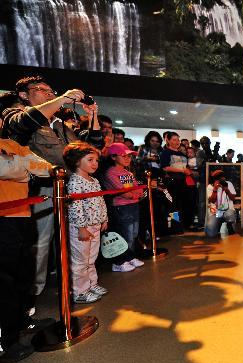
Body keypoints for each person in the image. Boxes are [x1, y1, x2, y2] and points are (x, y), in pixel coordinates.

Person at [3, 76, 102, 307]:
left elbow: (91, 146)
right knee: (40, 243)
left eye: (51, 91)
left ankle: (73, 284)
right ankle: (29, 299)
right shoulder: (14, 113)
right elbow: (24, 122)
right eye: (41, 90)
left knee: (74, 240)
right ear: (24, 95)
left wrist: (93, 114)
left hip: (70, 189)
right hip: (42, 191)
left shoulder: (59, 125)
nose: (49, 94)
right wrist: (63, 98)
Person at [0, 137, 53, 363]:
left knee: (23, 274)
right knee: (3, 281)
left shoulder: (12, 143)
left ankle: (21, 323)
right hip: (3, 218)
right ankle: (5, 342)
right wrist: (26, 170)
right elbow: (7, 169)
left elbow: (47, 169)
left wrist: (20, 166)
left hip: (22, 216)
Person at [63, 142, 109, 303]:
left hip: (95, 225)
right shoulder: (75, 181)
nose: (95, 164)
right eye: (90, 160)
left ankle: (91, 284)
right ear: (76, 161)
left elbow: (101, 200)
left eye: (96, 160)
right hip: (82, 228)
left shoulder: (94, 181)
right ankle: (80, 291)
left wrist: (104, 218)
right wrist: (82, 227)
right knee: (80, 261)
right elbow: (75, 206)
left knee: (91, 258)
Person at [103, 143, 145, 271]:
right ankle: (120, 261)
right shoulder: (111, 172)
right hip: (121, 207)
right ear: (114, 157)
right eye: (124, 156)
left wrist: (133, 195)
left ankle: (130, 257)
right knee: (125, 234)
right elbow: (122, 191)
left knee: (133, 233)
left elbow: (139, 189)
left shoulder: (128, 172)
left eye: (129, 156)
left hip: (133, 205)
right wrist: (133, 194)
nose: (128, 159)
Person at [160, 131, 194, 230]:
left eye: (178, 140)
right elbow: (165, 167)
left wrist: (187, 171)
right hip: (172, 181)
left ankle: (183, 225)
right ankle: (174, 227)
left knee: (183, 204)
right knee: (173, 205)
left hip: (184, 181)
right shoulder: (165, 152)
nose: (177, 142)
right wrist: (182, 171)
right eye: (174, 140)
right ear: (168, 140)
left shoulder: (181, 153)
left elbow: (186, 167)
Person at [205, 170, 236, 238]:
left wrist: (227, 191)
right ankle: (217, 225)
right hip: (216, 212)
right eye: (219, 178)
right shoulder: (210, 187)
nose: (222, 179)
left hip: (227, 210)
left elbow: (233, 198)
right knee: (211, 234)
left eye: (222, 177)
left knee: (230, 214)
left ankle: (230, 225)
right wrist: (215, 190)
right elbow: (212, 201)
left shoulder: (228, 184)